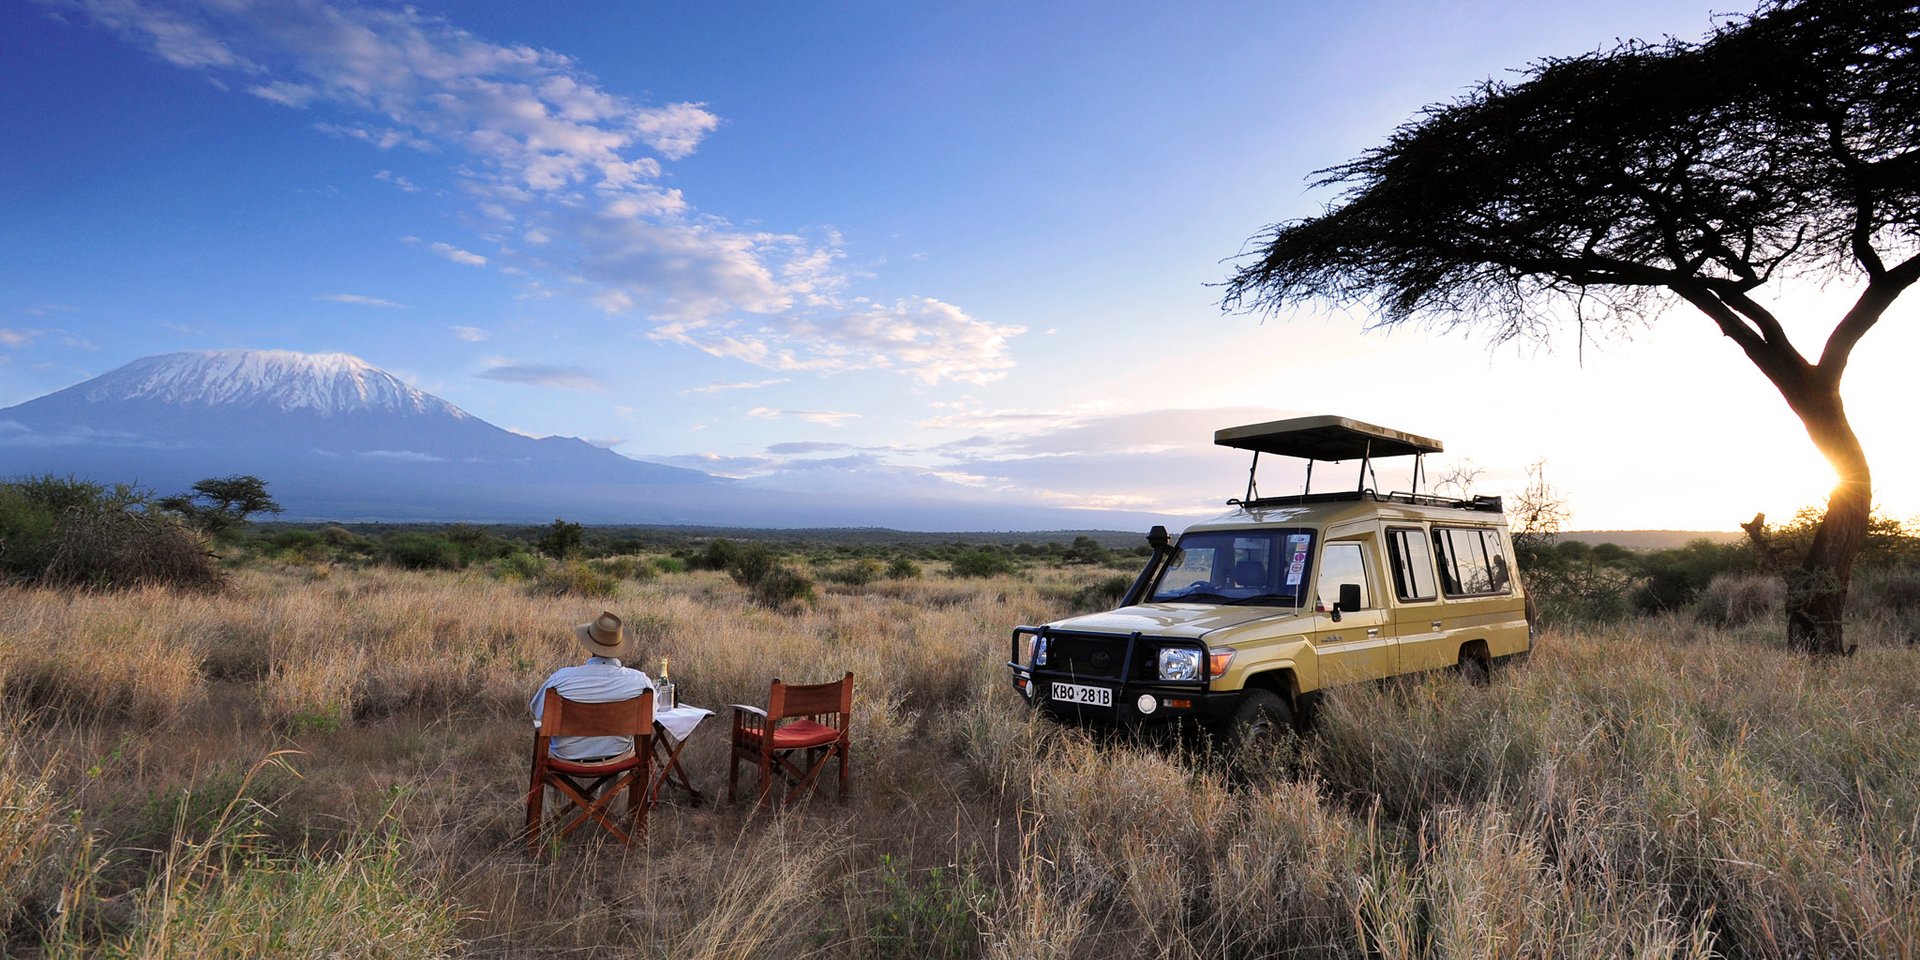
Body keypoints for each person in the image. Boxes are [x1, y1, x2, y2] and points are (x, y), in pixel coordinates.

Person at [530, 610, 654, 762]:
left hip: (565, 757)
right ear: (619, 646)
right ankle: (615, 786)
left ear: (589, 645)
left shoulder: (560, 680)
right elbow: (651, 718)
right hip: (618, 757)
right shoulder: (639, 682)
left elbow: (538, 711)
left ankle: (561, 785)